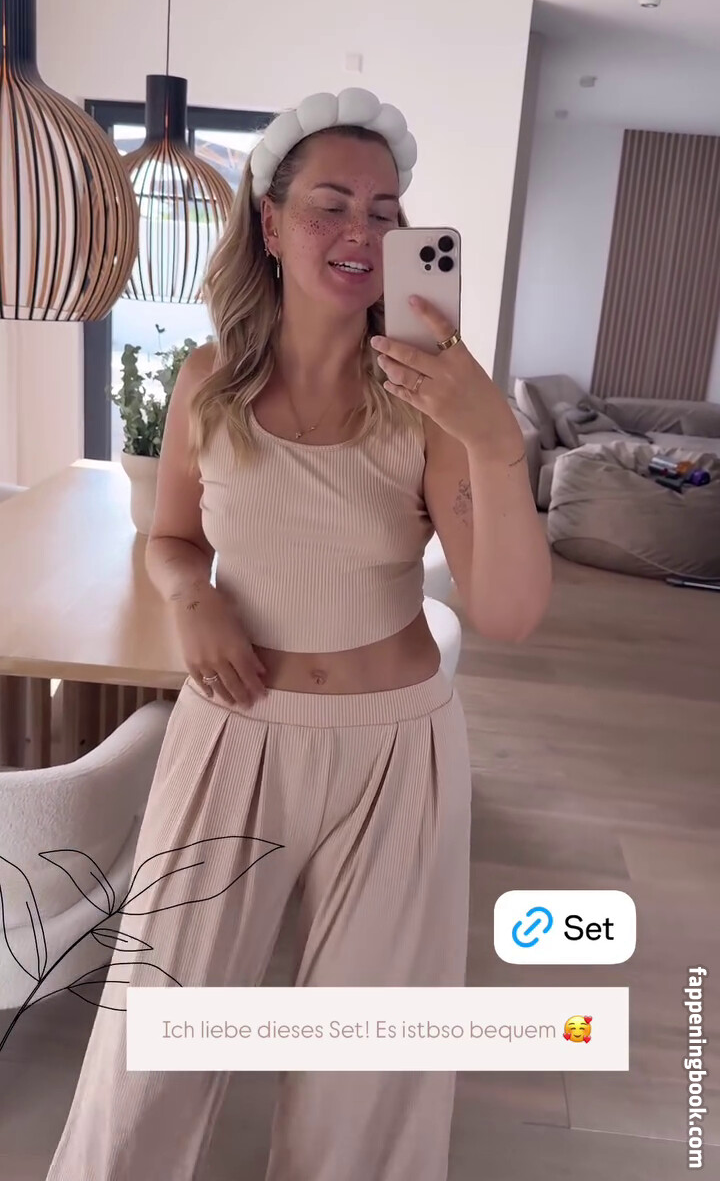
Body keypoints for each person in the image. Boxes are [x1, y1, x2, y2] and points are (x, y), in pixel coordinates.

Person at [46, 87, 551, 1181]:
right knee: (155, 1037)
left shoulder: (432, 406)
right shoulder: (209, 384)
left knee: (367, 1070)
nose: (361, 230)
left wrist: (494, 442)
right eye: (332, 204)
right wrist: (193, 598)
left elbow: (509, 612)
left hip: (397, 754)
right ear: (271, 223)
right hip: (231, 734)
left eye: (385, 210)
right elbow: (173, 538)